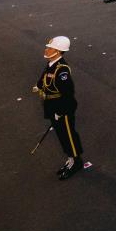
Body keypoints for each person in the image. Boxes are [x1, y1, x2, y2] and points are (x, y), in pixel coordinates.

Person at [32, 36, 84, 181]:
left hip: (62, 109)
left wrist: (60, 112)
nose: (47, 49)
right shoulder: (51, 64)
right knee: (61, 135)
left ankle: (76, 161)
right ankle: (70, 158)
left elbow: (68, 95)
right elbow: (43, 81)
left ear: (58, 51)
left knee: (68, 136)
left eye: (50, 48)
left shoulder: (62, 70)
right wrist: (40, 86)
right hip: (52, 106)